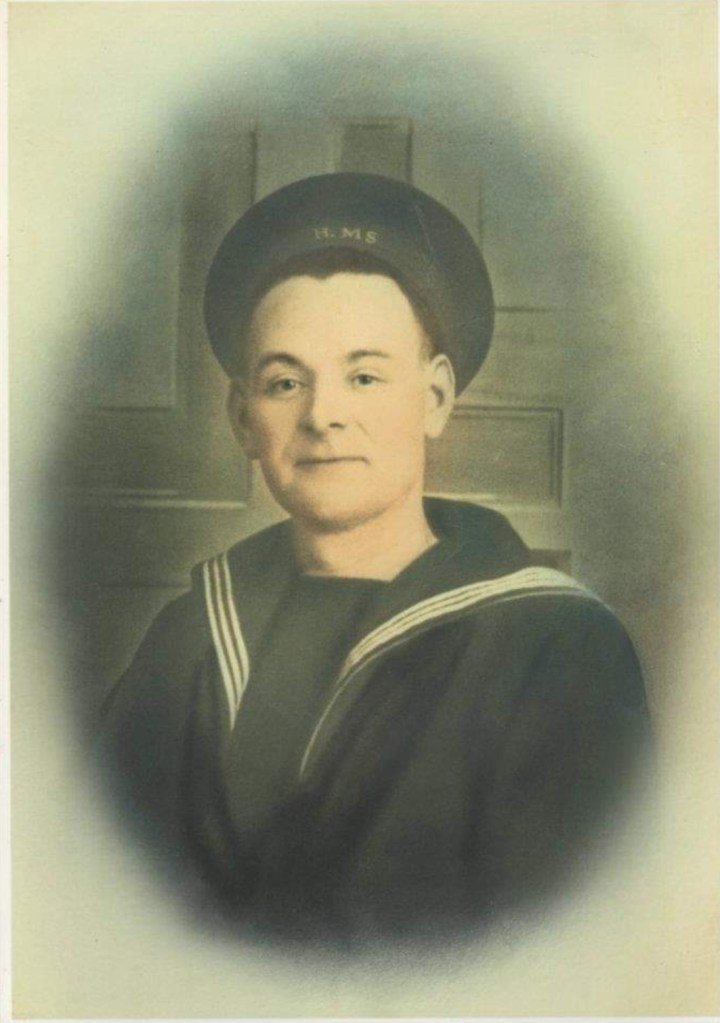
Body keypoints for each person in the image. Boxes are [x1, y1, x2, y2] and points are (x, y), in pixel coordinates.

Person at [99, 173, 651, 948]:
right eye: (285, 381)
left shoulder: (557, 647)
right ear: (243, 417)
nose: (323, 414)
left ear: (434, 398)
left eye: (364, 375)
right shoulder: (191, 636)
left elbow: (574, 950)